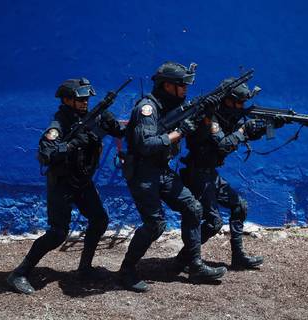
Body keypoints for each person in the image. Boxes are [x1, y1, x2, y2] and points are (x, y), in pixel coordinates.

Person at [7, 77, 126, 294]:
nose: (85, 103)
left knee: (99, 220)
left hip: (82, 181)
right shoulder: (58, 125)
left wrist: (110, 122)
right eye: (80, 99)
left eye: (87, 99)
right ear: (66, 100)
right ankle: (19, 273)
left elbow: (120, 133)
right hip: (62, 184)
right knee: (57, 233)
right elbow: (46, 154)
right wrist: (73, 144)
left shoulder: (92, 117)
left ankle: (85, 268)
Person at [118, 62, 227, 292]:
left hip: (162, 171)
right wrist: (179, 133)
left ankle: (194, 265)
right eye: (182, 86)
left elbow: (199, 134)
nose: (185, 90)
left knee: (193, 208)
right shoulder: (147, 108)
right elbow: (147, 144)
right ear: (167, 85)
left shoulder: (171, 107)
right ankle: (126, 271)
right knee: (155, 225)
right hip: (143, 174)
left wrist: (206, 113)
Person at [177, 78, 283, 270]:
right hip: (197, 174)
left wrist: (272, 126)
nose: (242, 106)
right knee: (213, 222)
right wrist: (243, 129)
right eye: (239, 102)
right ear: (227, 99)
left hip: (210, 174)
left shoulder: (228, 116)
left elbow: (244, 134)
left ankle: (238, 257)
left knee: (239, 206)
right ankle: (184, 258)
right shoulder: (210, 116)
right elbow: (224, 144)